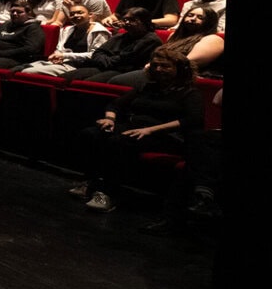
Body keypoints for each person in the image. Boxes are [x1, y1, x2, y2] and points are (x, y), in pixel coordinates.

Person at [72, 46, 203, 213]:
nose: (158, 69)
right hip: (135, 128)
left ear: (180, 69)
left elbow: (193, 120)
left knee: (118, 143)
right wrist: (109, 119)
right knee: (90, 134)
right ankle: (91, 182)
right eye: (155, 65)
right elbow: (116, 104)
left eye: (165, 66)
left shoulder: (190, 93)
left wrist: (150, 130)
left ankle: (108, 193)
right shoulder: (148, 87)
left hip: (165, 135)